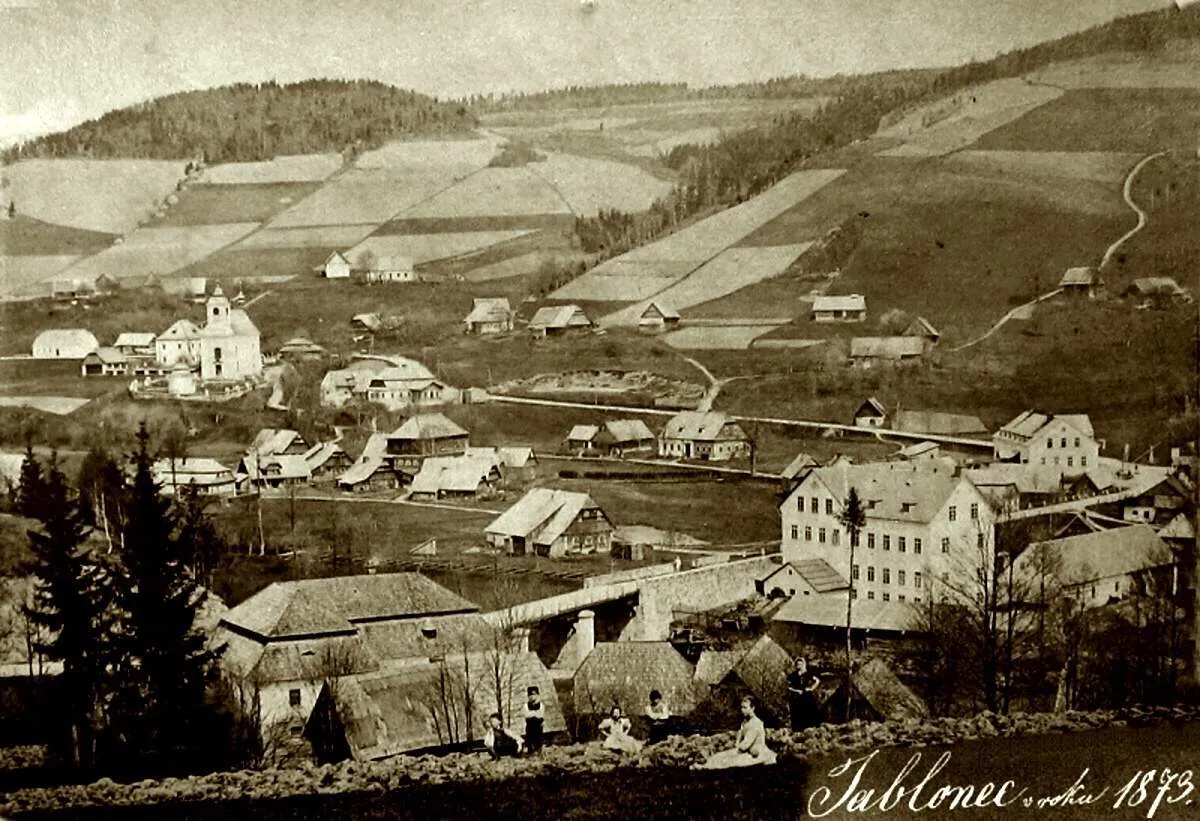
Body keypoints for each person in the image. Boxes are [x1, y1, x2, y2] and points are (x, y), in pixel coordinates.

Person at [694, 696, 777, 770]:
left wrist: (736, 749)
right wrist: (736, 745)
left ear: (752, 708)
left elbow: (745, 745)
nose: (742, 710)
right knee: (720, 756)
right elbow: (739, 736)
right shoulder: (745, 722)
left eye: (745, 708)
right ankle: (705, 765)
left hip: (756, 754)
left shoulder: (756, 723)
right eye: (741, 708)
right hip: (745, 750)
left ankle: (705, 767)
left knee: (729, 760)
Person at [787, 656, 821, 731]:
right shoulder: (793, 676)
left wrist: (811, 688)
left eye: (800, 664)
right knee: (797, 713)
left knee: (809, 711)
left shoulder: (808, 674)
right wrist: (796, 690)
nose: (799, 666)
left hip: (807, 696)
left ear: (803, 665)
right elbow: (788, 686)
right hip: (797, 698)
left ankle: (811, 727)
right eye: (797, 664)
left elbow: (817, 681)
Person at [524, 685, 545, 754]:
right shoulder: (526, 705)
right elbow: (526, 715)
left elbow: (540, 715)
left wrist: (532, 713)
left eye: (533, 694)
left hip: (538, 726)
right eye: (529, 695)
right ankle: (530, 751)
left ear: (537, 695)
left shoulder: (541, 705)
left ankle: (538, 750)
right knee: (529, 738)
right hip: (530, 726)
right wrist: (535, 713)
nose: (531, 696)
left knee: (538, 738)